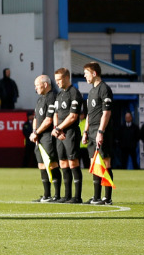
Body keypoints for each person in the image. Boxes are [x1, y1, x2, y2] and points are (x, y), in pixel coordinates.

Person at [82, 62, 115, 205]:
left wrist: (100, 132)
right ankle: (96, 197)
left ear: (94, 73)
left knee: (105, 161)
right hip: (92, 131)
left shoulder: (104, 89)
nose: (84, 76)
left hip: (102, 130)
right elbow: (89, 114)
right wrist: (86, 131)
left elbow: (106, 113)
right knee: (93, 162)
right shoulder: (91, 92)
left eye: (86, 73)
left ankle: (107, 198)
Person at [52, 68, 84, 204]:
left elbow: (73, 116)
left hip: (70, 132)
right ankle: (67, 195)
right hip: (60, 133)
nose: (57, 82)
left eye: (59, 80)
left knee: (73, 162)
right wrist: (56, 129)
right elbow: (55, 114)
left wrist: (60, 128)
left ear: (66, 78)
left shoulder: (74, 93)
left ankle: (77, 197)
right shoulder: (59, 95)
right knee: (63, 162)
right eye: (56, 80)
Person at [29, 75, 61, 202]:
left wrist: (36, 132)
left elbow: (48, 120)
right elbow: (36, 118)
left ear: (45, 84)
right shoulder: (40, 100)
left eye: (37, 85)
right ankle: (46, 195)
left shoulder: (52, 97)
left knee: (52, 164)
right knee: (41, 164)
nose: (35, 88)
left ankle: (57, 195)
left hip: (48, 136)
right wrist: (34, 132)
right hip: (39, 137)